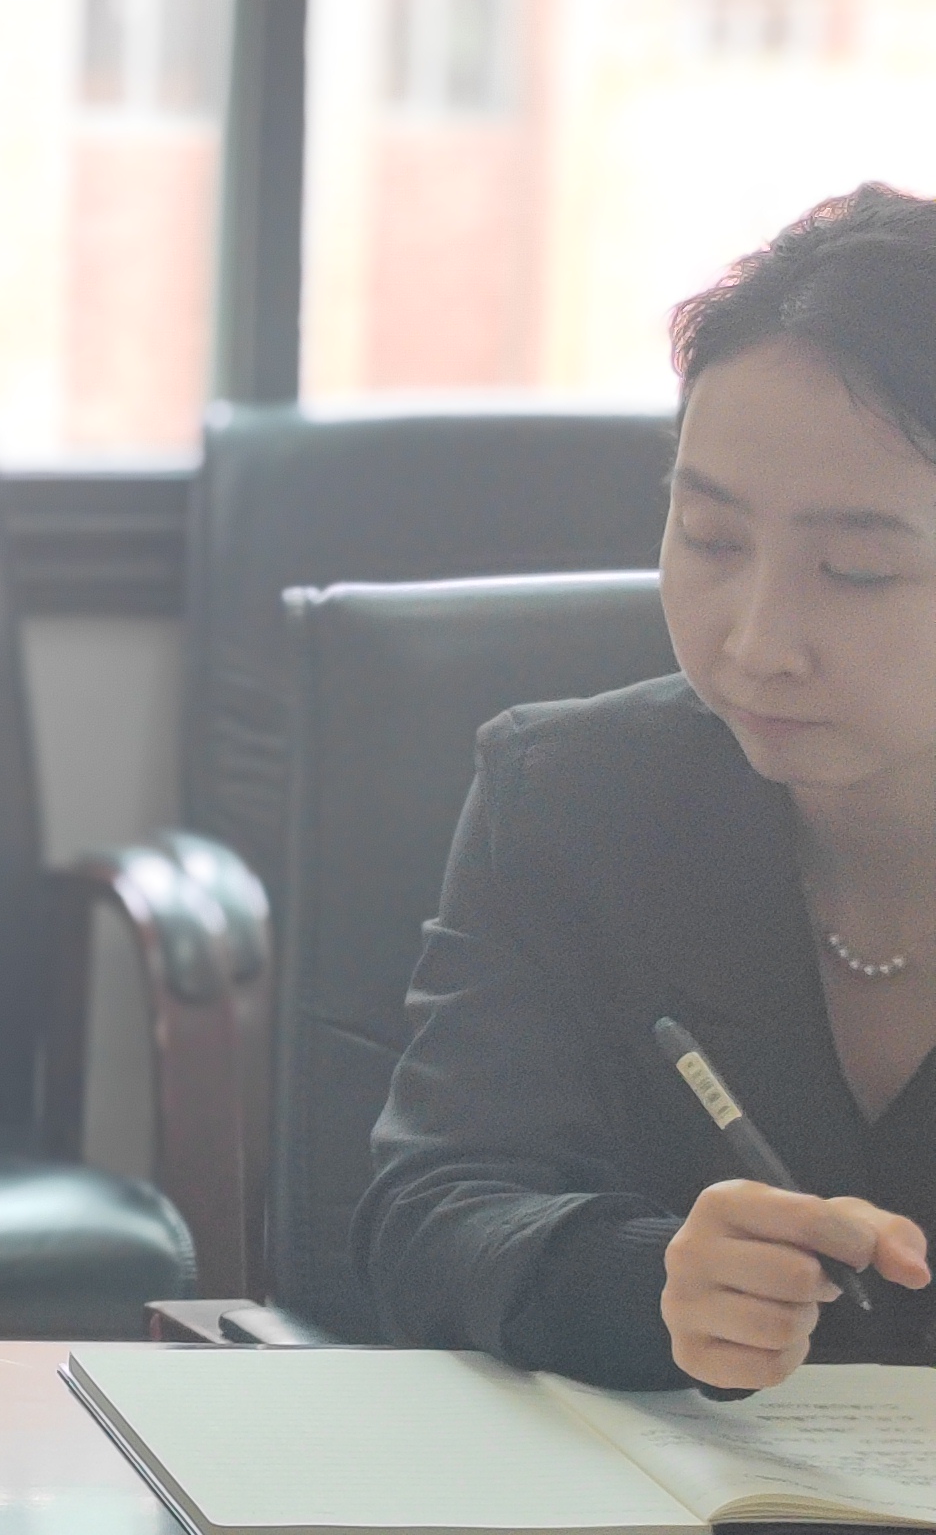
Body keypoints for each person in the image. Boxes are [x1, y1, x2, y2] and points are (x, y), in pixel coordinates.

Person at [361, 183, 936, 1389]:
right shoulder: (575, 797)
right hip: (672, 1505)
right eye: (712, 540)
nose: (757, 642)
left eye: (858, 569)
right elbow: (433, 1210)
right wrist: (657, 1280)